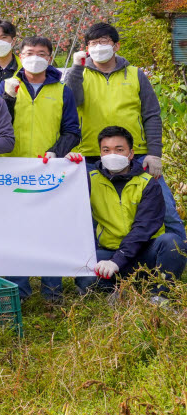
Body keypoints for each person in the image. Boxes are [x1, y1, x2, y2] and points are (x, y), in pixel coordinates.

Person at [66, 22, 185, 240]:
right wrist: (76, 68)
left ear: (116, 45)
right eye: (92, 43)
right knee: (88, 215)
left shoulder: (135, 74)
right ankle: (95, 266)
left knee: (165, 209)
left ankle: (177, 256)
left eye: (103, 42)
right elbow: (73, 102)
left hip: (135, 155)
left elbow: (151, 114)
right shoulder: (79, 75)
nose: (98, 47)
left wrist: (154, 154)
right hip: (92, 155)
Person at [0, 36, 80, 301]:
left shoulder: (62, 90)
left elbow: (72, 130)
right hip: (13, 169)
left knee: (49, 230)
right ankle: (19, 290)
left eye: (42, 53)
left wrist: (56, 151)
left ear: (50, 57)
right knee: (14, 231)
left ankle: (52, 291)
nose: (36, 57)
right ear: (20, 55)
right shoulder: (7, 86)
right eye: (30, 52)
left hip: (48, 169)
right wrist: (8, 98)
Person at [74, 126, 186, 298]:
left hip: (145, 252)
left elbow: (143, 228)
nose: (112, 155)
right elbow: (66, 198)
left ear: (131, 154)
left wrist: (117, 261)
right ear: (100, 154)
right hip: (108, 251)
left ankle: (160, 295)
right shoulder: (90, 180)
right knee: (83, 273)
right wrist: (68, 163)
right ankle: (122, 291)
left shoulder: (148, 183)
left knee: (172, 242)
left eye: (119, 150)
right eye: (106, 150)